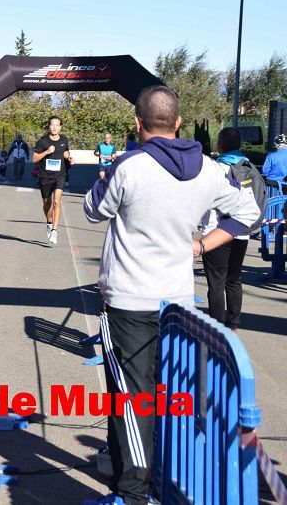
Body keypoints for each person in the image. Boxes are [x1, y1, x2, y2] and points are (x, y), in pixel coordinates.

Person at [82, 86, 259, 505]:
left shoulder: (129, 166)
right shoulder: (210, 169)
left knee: (132, 399)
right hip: (178, 302)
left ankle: (131, 494)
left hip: (128, 300)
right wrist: (200, 245)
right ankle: (156, 477)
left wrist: (104, 174)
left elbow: (93, 209)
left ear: (138, 124)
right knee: (170, 397)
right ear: (178, 122)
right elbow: (248, 213)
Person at [200, 128, 257, 333]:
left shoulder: (215, 168)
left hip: (216, 232)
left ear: (219, 145)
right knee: (234, 280)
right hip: (242, 231)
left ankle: (216, 326)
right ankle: (233, 325)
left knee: (216, 282)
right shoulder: (249, 166)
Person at [32, 116, 72, 246]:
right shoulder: (42, 142)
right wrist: (47, 152)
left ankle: (54, 230)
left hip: (60, 175)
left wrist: (69, 158)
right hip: (45, 176)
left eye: (57, 125)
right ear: (49, 127)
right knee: (47, 203)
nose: (54, 127)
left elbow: (65, 152)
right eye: (52, 125)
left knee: (56, 202)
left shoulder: (64, 140)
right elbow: (35, 159)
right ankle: (49, 222)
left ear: (60, 127)